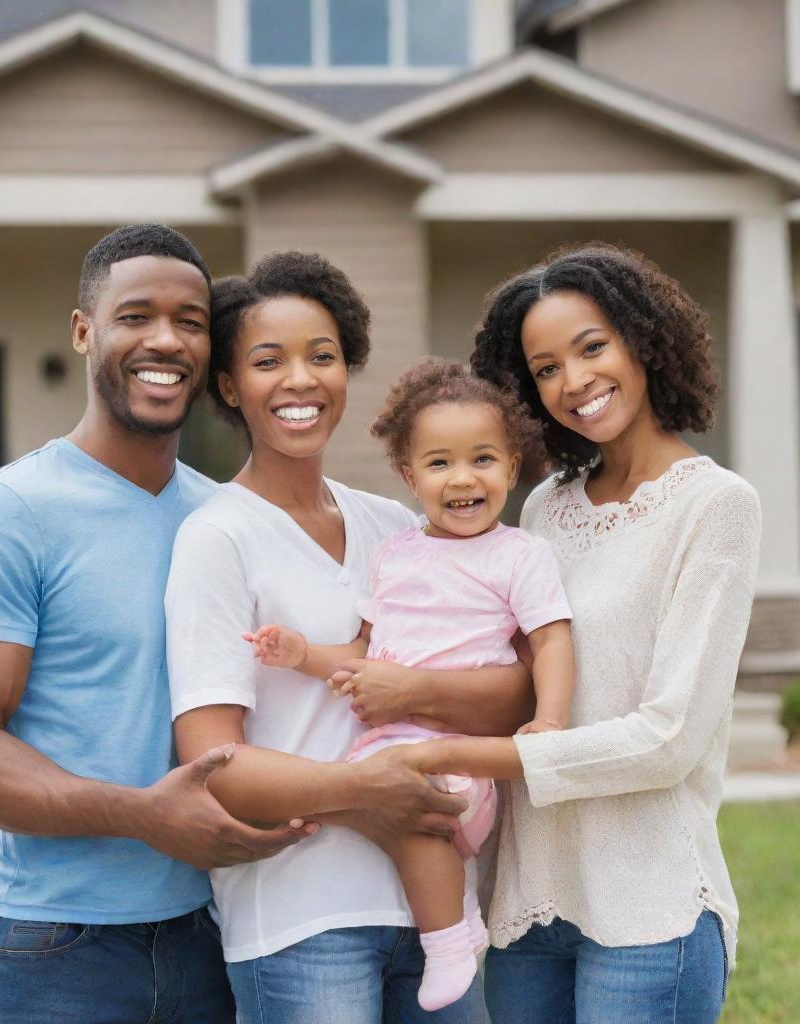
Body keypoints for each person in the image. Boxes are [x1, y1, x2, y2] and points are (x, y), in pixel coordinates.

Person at [0, 224, 319, 1024]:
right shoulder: (7, 514)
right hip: (49, 952)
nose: (165, 339)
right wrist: (142, 815)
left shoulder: (229, 521)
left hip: (212, 937)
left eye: (191, 321)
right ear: (83, 331)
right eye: (135, 316)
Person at [366, 242, 761, 1024]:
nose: (574, 381)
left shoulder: (714, 506)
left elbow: (667, 739)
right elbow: (509, 668)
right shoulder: (546, 506)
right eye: (545, 368)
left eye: (591, 348)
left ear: (643, 341)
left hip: (649, 907)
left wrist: (448, 753)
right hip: (530, 907)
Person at [166, 252, 533, 1024]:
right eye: (269, 361)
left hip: (438, 919)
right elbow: (213, 762)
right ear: (231, 387)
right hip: (303, 922)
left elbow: (512, 695)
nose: (301, 379)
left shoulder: (401, 526)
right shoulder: (218, 538)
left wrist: (415, 696)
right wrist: (369, 791)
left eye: (322, 356)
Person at [242, 358, 575, 1011]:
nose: (463, 479)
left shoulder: (518, 555)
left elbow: (551, 641)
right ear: (409, 475)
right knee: (330, 802)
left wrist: (552, 721)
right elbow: (362, 654)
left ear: (511, 467)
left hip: (458, 756)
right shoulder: (393, 554)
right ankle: (457, 909)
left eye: (482, 460)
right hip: (385, 746)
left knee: (413, 807)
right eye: (440, 463)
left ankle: (449, 938)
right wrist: (303, 654)